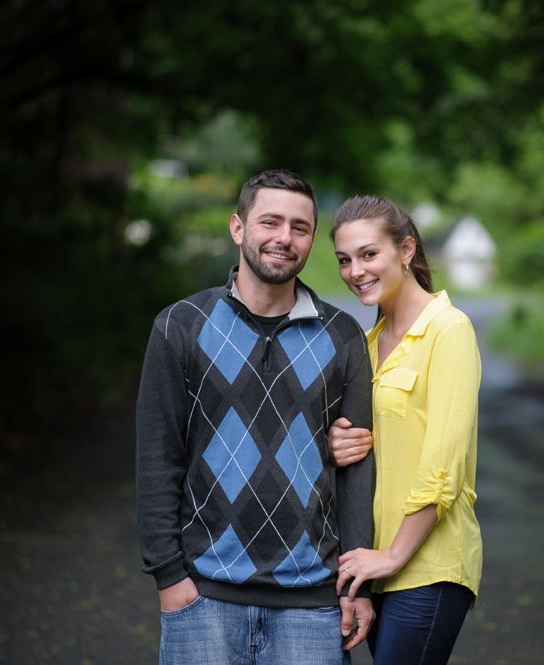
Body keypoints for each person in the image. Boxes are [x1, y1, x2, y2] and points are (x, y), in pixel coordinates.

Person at [135, 169, 376, 665]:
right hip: (203, 600)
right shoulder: (180, 326)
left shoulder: (343, 336)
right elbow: (158, 456)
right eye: (270, 222)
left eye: (300, 227)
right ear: (238, 227)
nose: (284, 238)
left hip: (313, 606)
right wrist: (169, 577)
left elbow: (356, 471)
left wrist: (357, 586)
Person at [328, 195, 483, 664]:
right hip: (375, 565)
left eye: (368, 254)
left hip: (427, 566)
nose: (356, 271)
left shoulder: (448, 329)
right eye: (343, 260)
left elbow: (444, 467)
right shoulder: (366, 344)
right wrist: (334, 441)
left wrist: (393, 555)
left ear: (407, 250)